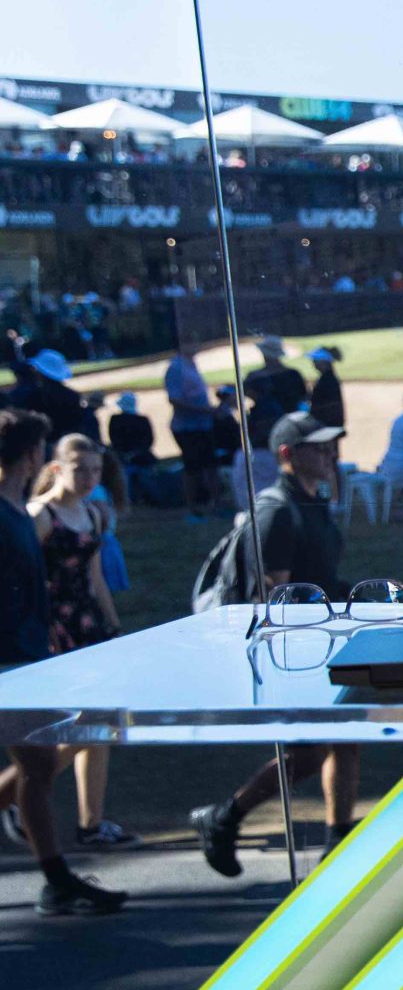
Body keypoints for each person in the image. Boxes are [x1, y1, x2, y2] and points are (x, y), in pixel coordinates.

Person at [193, 410, 360, 875]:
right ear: (287, 454)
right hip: (293, 649)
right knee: (310, 752)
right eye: (319, 446)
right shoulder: (277, 512)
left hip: (324, 639)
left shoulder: (311, 502)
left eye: (331, 445)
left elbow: (318, 574)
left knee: (345, 739)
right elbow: (272, 593)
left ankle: (338, 842)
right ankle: (224, 817)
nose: (330, 453)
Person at [0, 411, 119, 914]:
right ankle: (57, 878)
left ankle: (56, 879)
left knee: (41, 764)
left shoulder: (16, 513)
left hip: (30, 656)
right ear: (32, 456)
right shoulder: (18, 516)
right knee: (41, 763)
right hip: (10, 661)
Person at [25, 435, 132, 848]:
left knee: (102, 724)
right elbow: (26, 581)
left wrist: (114, 626)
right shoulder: (40, 515)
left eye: (95, 470)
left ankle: (92, 823)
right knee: (85, 723)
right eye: (79, 468)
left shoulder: (93, 512)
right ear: (56, 468)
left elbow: (96, 578)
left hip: (90, 626)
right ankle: (21, 790)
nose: (88, 477)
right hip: (55, 628)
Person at [166, 349, 219, 516]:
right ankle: (192, 507)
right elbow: (174, 399)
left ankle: (214, 504)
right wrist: (203, 410)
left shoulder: (191, 364)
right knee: (192, 467)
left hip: (203, 425)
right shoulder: (176, 367)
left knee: (210, 465)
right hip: (187, 427)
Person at [242, 335, 306, 452]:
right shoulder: (293, 374)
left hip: (266, 427)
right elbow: (303, 397)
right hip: (287, 425)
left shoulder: (255, 377)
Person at [106, 391, 153, 471]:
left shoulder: (115, 419)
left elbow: (113, 438)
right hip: (140, 456)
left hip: (121, 455)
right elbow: (149, 440)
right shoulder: (142, 420)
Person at [307, 345, 345, 430]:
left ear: (323, 362)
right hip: (330, 425)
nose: (313, 363)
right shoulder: (328, 378)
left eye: (315, 360)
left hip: (327, 426)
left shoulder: (327, 381)